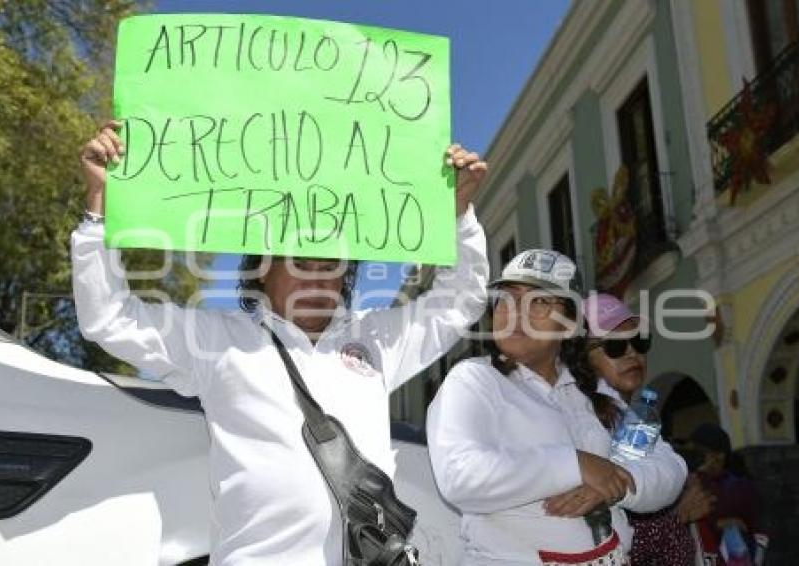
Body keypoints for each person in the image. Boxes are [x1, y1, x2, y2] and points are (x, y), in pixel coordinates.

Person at [73, 120, 490, 565]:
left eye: (330, 263)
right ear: (261, 270)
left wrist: (459, 213)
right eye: (299, 260)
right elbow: (109, 316)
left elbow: (459, 301)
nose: (316, 274)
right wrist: (99, 207)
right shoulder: (216, 340)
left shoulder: (377, 339)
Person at [426, 250, 686, 565]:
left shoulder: (594, 392)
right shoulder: (474, 380)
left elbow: (670, 468)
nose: (516, 312)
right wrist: (576, 465)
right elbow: (460, 476)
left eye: (538, 301)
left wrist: (617, 483)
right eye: (506, 298)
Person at [584, 292, 711, 565]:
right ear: (583, 358)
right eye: (615, 346)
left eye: (640, 341)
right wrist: (677, 516)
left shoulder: (630, 416)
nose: (632, 353)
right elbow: (607, 531)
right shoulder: (585, 417)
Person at [688, 423, 760, 564]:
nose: (715, 459)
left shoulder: (740, 484)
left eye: (719, 453)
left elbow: (753, 522)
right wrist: (717, 523)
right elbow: (686, 516)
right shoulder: (691, 481)